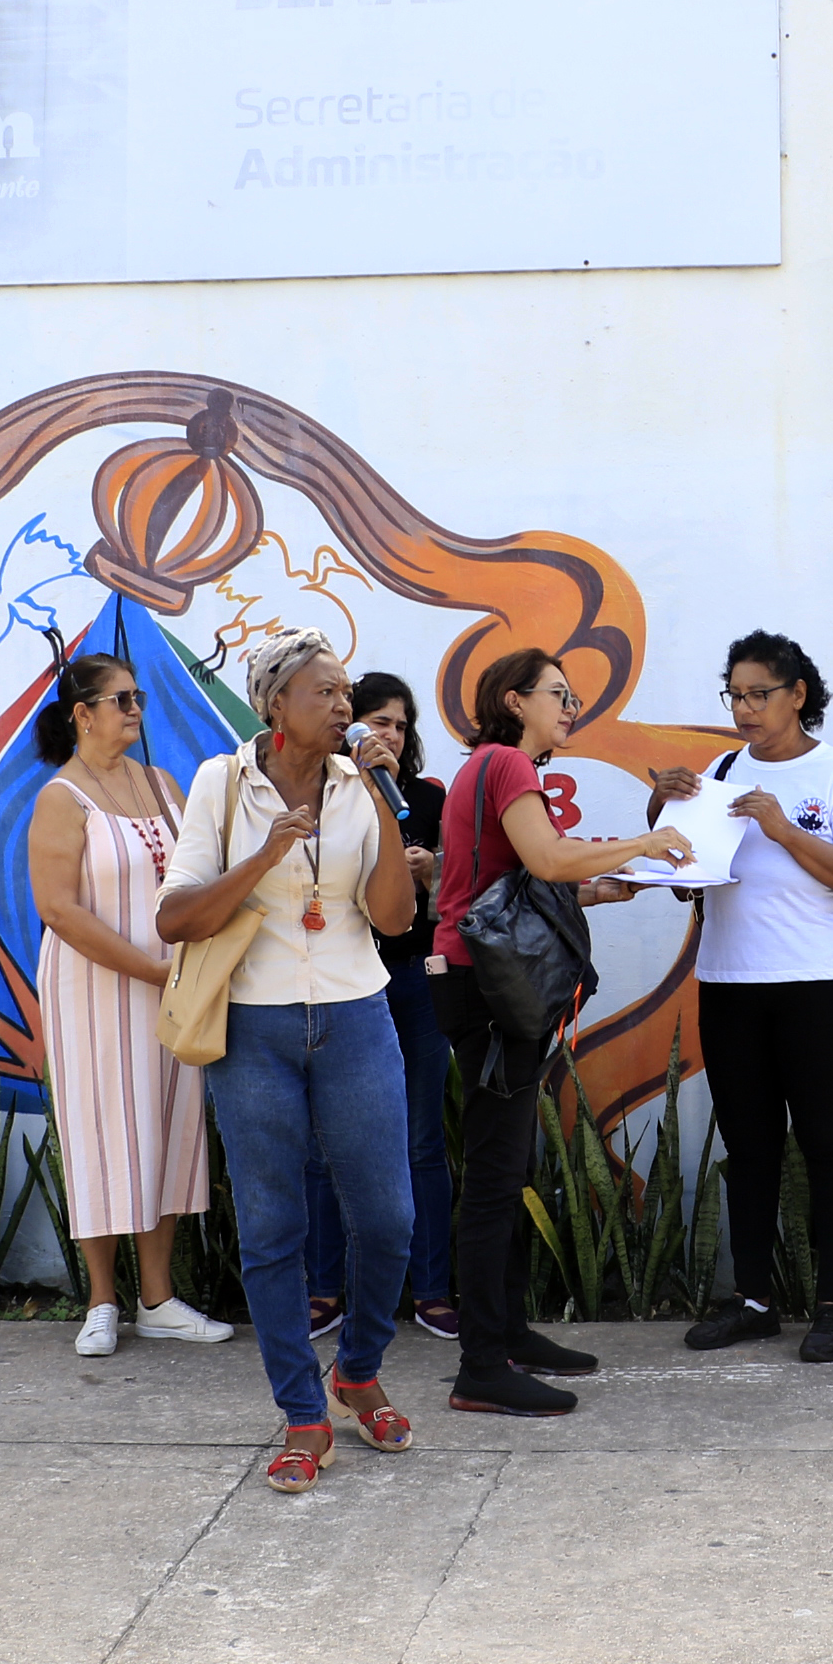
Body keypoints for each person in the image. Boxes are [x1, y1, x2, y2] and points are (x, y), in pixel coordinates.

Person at [154, 629, 422, 1494]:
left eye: (347, 693)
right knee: (274, 1229)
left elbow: (392, 919)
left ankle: (360, 1367)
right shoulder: (218, 784)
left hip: (353, 1013)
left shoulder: (361, 785)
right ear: (274, 702)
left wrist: (383, 797)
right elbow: (176, 918)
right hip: (253, 1028)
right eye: (325, 693)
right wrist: (265, 854)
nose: (344, 707)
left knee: (387, 1218)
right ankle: (305, 1414)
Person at [428, 646, 695, 1417]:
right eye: (556, 694)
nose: (570, 706)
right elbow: (545, 861)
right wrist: (643, 845)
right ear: (514, 701)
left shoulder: (487, 766)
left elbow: (510, 882)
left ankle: (508, 1333)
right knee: (491, 1180)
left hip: (475, 982)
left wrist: (607, 887)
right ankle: (481, 1365)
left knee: (505, 1169)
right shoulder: (509, 766)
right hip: (487, 990)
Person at [653, 632, 833, 1365]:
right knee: (749, 1148)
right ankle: (753, 1299)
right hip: (729, 984)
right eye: (734, 693)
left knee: (826, 1143)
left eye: (759, 693)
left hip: (816, 986)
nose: (745, 708)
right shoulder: (720, 771)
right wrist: (663, 807)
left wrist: (785, 830)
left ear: (797, 694)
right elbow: (686, 879)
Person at [23, 651, 229, 1359]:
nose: (135, 709)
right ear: (81, 715)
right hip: (96, 990)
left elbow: (200, 875)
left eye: (138, 697)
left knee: (167, 1123)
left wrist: (184, 968)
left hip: (170, 986)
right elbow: (58, 909)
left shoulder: (163, 783)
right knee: (102, 1130)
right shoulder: (61, 797)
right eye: (120, 700)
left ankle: (159, 1299)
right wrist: (150, 968)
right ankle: (101, 1301)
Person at [301, 671, 458, 1342]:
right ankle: (321, 1288)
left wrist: (435, 867)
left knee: (422, 1139)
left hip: (413, 976)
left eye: (399, 723)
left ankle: (431, 1290)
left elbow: (466, 885)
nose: (388, 734)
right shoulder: (316, 795)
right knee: (323, 1142)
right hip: (338, 979)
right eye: (376, 721)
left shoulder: (422, 796)